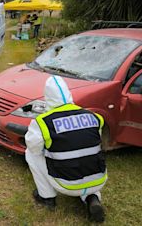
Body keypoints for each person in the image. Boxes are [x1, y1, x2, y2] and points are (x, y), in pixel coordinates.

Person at [25, 76, 107, 223]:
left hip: (65, 183)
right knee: (87, 156)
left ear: (47, 98)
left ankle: (47, 197)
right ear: (69, 94)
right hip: (98, 179)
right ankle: (92, 197)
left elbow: (34, 147)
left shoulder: (43, 122)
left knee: (31, 154)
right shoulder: (94, 116)